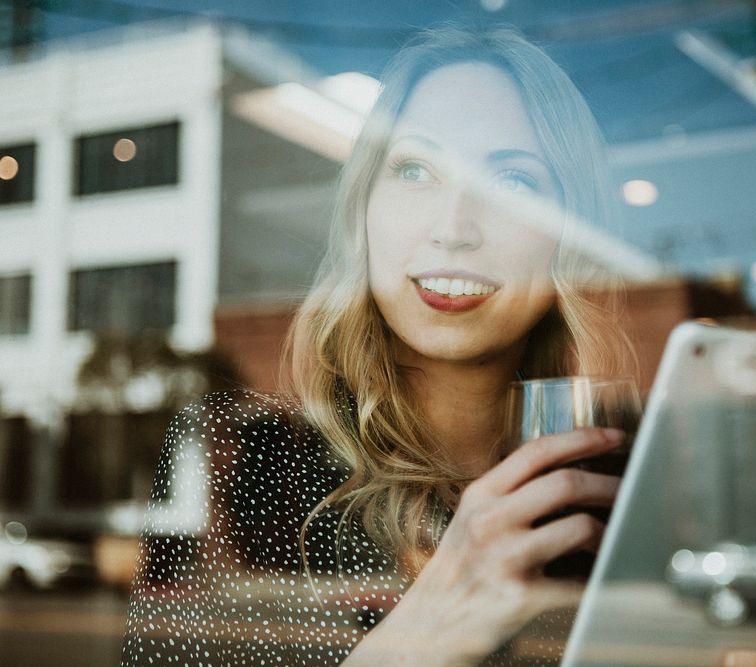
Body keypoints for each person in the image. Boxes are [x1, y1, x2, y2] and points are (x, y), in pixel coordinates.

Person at [121, 25, 636, 667]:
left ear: (569, 231)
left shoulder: (620, 481)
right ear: (363, 208)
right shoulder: (251, 459)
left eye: (514, 183)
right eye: (415, 169)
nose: (453, 229)